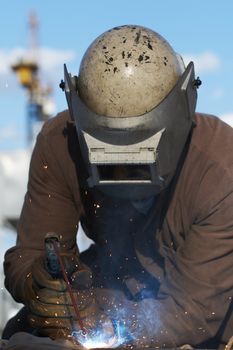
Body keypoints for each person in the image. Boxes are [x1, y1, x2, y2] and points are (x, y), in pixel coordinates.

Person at [2, 24, 233, 350]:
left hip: (208, 298)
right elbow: (26, 258)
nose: (123, 173)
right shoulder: (61, 145)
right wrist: (41, 284)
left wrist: (109, 325)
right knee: (20, 334)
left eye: (136, 158)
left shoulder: (221, 172)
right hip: (111, 288)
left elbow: (192, 312)